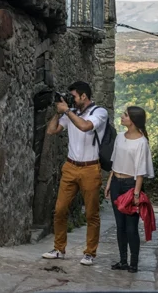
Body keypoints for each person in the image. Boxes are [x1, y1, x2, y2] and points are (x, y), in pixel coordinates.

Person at [41, 81, 111, 266]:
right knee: (60, 210)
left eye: (73, 96)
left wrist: (67, 111)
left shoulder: (99, 112)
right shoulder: (70, 113)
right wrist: (59, 112)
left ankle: (90, 253)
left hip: (90, 168)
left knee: (91, 214)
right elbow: (51, 131)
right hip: (71, 166)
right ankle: (59, 248)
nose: (71, 99)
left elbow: (86, 127)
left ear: (84, 96)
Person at [104, 106, 154, 274]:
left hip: (130, 185)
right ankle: (123, 260)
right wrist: (110, 182)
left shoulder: (141, 142)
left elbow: (140, 171)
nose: (122, 116)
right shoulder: (119, 138)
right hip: (117, 182)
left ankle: (134, 263)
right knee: (120, 225)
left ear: (132, 120)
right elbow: (114, 162)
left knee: (131, 227)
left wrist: (136, 193)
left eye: (125, 115)